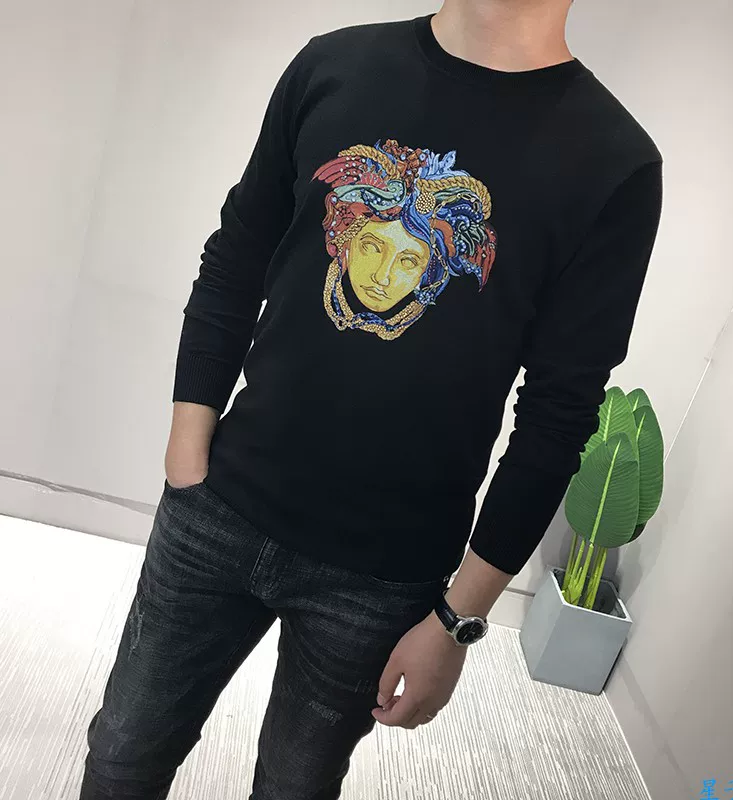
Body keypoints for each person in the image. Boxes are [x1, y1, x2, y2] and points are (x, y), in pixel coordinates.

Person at [79, 1, 663, 798]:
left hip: (385, 574)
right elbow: (238, 254)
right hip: (219, 507)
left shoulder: (614, 163)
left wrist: (458, 619)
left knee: (295, 787)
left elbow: (560, 412)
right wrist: (188, 456)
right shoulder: (334, 65)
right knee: (121, 756)